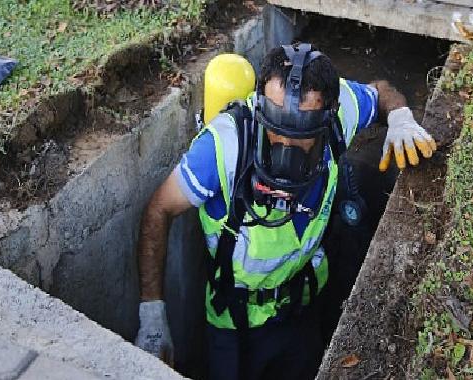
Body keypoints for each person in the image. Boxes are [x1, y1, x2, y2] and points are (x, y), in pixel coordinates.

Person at [134, 43, 436, 380]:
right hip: (234, 324)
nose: (285, 155)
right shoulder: (223, 147)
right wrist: (152, 315)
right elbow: (158, 210)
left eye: (301, 136)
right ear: (259, 107)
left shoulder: (339, 115)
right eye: (275, 131)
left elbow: (381, 91)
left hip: (302, 308)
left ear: (327, 115)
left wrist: (400, 118)